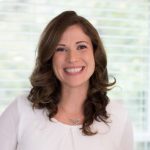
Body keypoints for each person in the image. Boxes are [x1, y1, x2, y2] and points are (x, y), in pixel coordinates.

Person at [0, 10, 133, 150]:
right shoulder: (21, 110)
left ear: (95, 54)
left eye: (81, 47)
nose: (72, 58)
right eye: (61, 49)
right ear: (50, 57)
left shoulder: (118, 118)